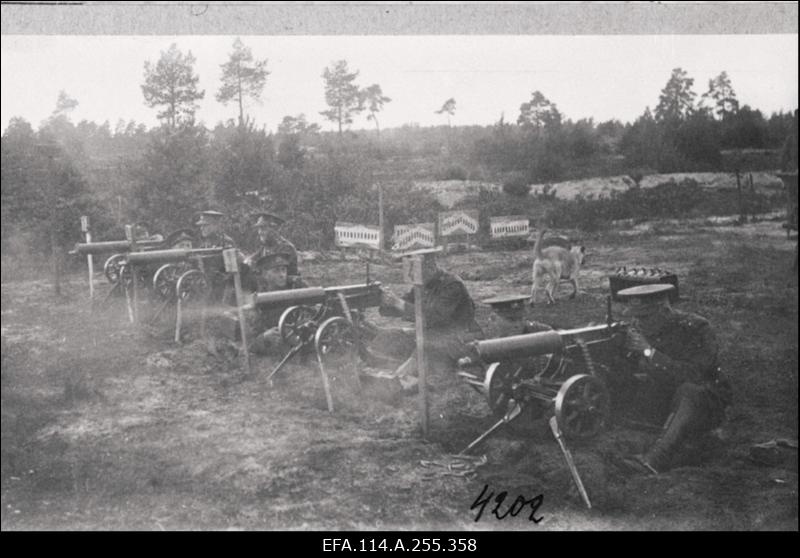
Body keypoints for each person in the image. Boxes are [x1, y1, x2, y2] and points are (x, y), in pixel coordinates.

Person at [614, 284, 732, 474]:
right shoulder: (641, 328)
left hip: (704, 403)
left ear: (664, 310)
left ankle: (655, 460)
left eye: (644, 317)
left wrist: (649, 352)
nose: (637, 322)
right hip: (665, 398)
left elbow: (694, 375)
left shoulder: (697, 328)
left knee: (689, 391)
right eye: (634, 316)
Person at [377, 247, 484, 390]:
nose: (412, 274)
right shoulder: (422, 284)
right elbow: (405, 304)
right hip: (432, 336)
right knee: (390, 336)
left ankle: (423, 375)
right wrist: (384, 301)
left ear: (431, 266)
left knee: (430, 350)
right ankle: (408, 370)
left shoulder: (452, 285)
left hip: (460, 337)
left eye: (416, 269)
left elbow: (433, 317)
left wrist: (398, 303)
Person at [245, 251, 308, 356]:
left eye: (283, 270)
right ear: (265, 275)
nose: (282, 275)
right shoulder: (260, 299)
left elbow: (315, 308)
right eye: (276, 271)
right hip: (278, 340)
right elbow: (249, 343)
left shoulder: (296, 286)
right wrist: (264, 336)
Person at [251, 212, 299, 277]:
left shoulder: (286, 248)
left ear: (275, 229)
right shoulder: (265, 248)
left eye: (263, 228)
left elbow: (279, 274)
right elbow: (251, 260)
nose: (260, 232)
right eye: (259, 229)